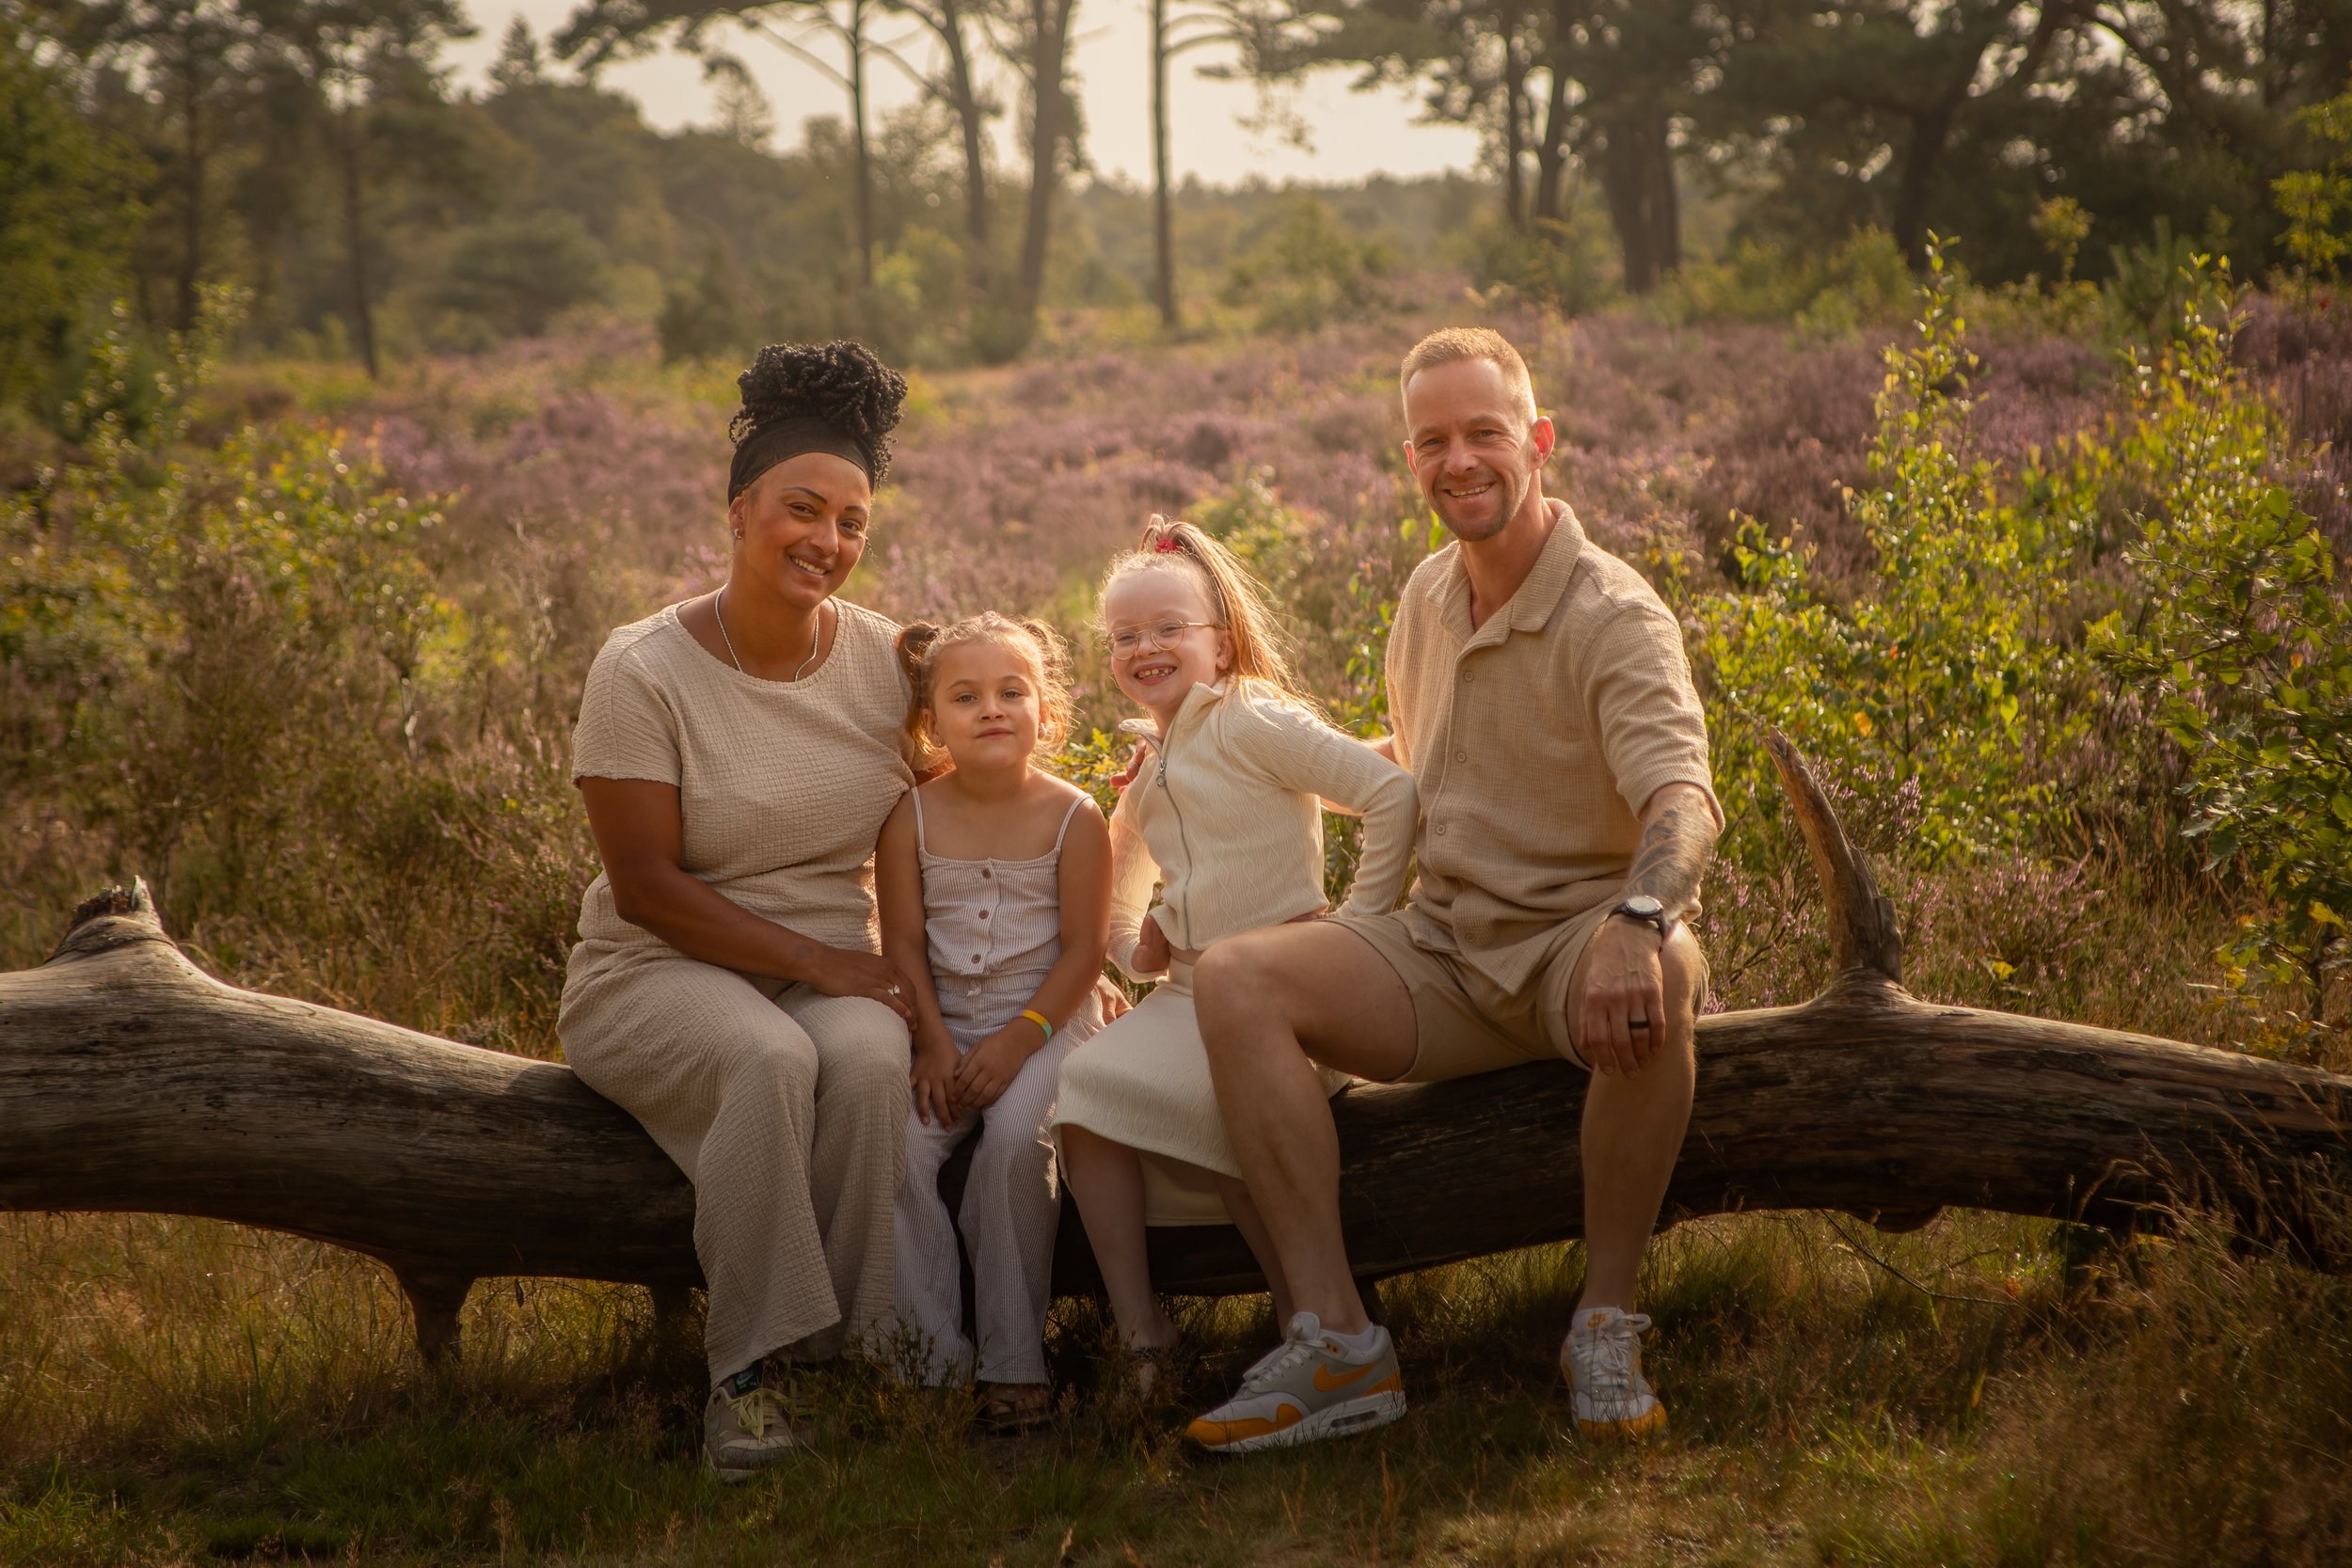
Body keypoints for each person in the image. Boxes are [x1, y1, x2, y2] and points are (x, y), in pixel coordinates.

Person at [1184, 327, 1721, 1453]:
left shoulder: (1613, 615)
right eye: (1432, 440)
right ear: (1409, 457)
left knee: (1666, 967)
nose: (1458, 460)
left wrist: (1636, 918)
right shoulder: (1428, 592)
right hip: (1442, 948)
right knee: (1235, 979)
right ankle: (1338, 1341)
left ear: (1539, 440)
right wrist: (1220, 762)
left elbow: (1683, 799)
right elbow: (1423, 764)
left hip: (1577, 945)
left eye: (1484, 432)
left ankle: (1604, 1320)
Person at [558, 340, 922, 1481]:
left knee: (865, 1063)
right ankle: (753, 1379)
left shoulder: (887, 662)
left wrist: (1089, 937)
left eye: (852, 521)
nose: (827, 539)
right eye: (801, 509)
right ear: (738, 511)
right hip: (651, 969)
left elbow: (994, 783)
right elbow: (649, 887)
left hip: (829, 972)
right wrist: (826, 958)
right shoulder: (644, 668)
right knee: (768, 1059)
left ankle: (866, 1357)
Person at [1049, 517, 1418, 1412]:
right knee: (1081, 1100)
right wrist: (1143, 940)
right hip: (1187, 992)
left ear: (1219, 637)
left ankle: (1315, 1328)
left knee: (1217, 1114)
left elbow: (1391, 793)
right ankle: (1146, 1333)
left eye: (1170, 628)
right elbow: (1121, 886)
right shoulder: (1155, 756)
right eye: (1126, 637)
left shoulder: (1253, 715)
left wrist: (1359, 926)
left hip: (1281, 992)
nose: (1147, 648)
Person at [878, 612, 1111, 1432]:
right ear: (931, 720)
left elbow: (1084, 953)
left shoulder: (1075, 815)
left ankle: (1015, 1360)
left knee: (1016, 1142)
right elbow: (901, 943)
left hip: (1044, 1022)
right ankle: (927, 1360)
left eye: (1013, 691)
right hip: (942, 1025)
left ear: (1045, 711)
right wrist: (933, 1040)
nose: (992, 709)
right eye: (966, 695)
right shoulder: (910, 816)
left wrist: (1021, 1037)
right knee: (899, 1144)